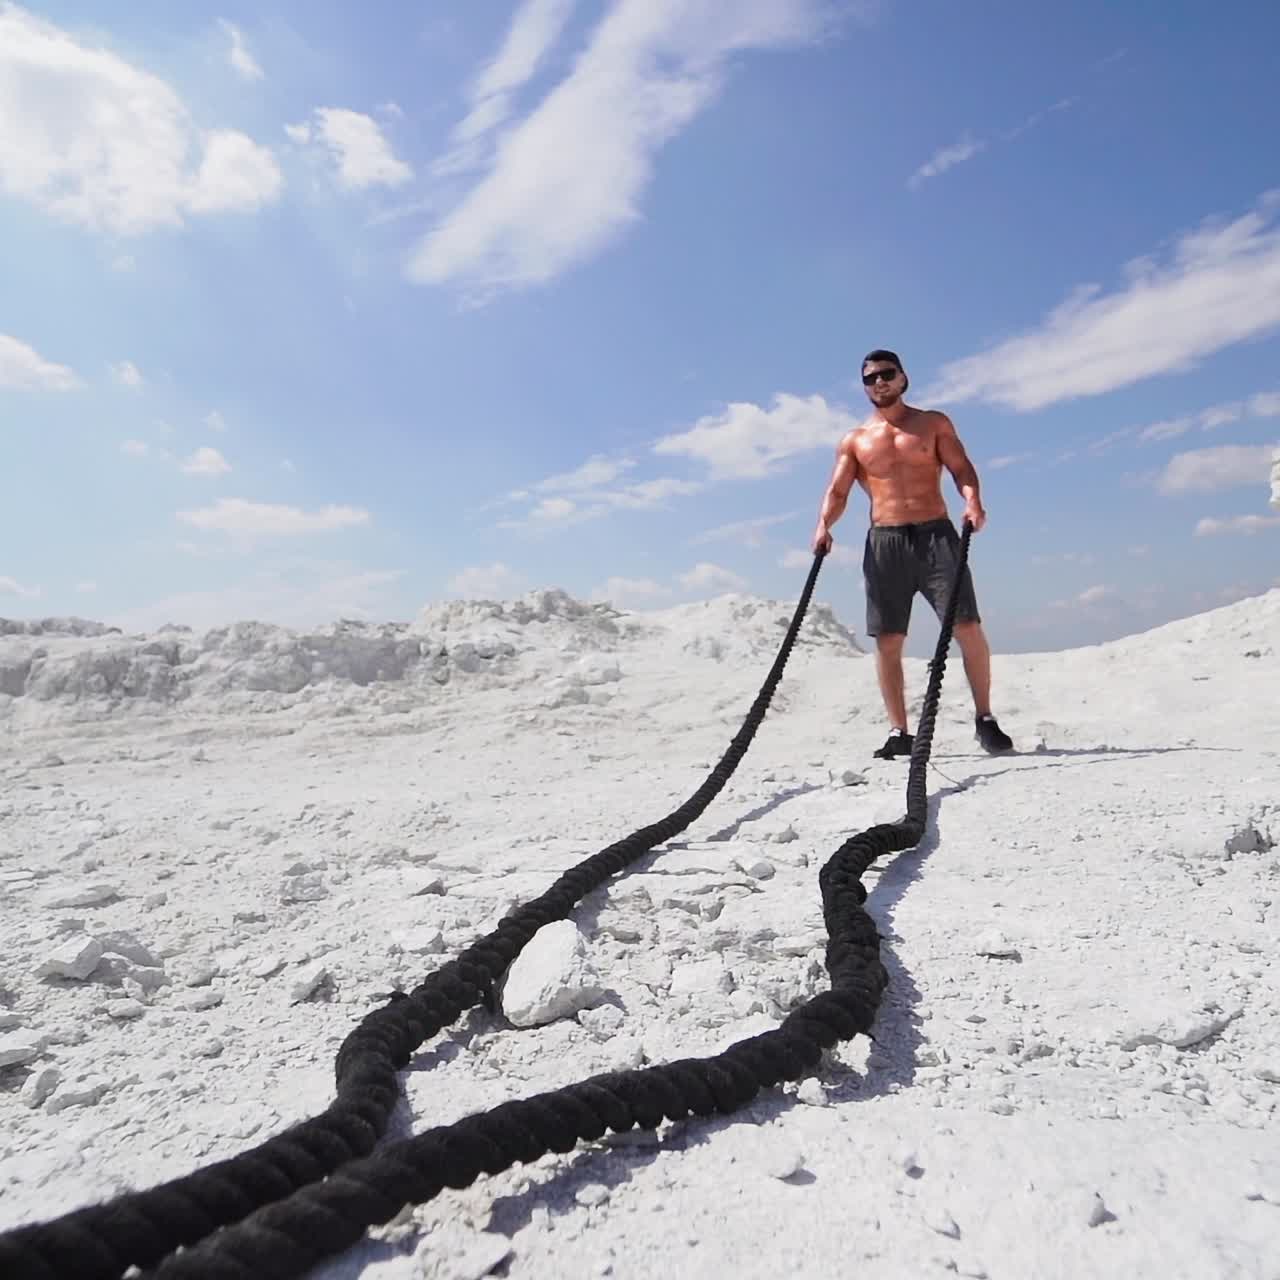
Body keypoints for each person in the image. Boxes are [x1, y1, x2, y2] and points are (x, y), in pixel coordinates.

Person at [811, 348, 1014, 758]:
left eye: (887, 374)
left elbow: (961, 469)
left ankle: (985, 718)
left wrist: (973, 502)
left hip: (936, 535)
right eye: (870, 378)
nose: (879, 382)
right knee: (888, 640)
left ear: (903, 378)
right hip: (885, 542)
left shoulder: (932, 423)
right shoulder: (855, 440)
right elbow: (838, 491)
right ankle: (899, 731)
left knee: (966, 626)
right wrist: (823, 526)